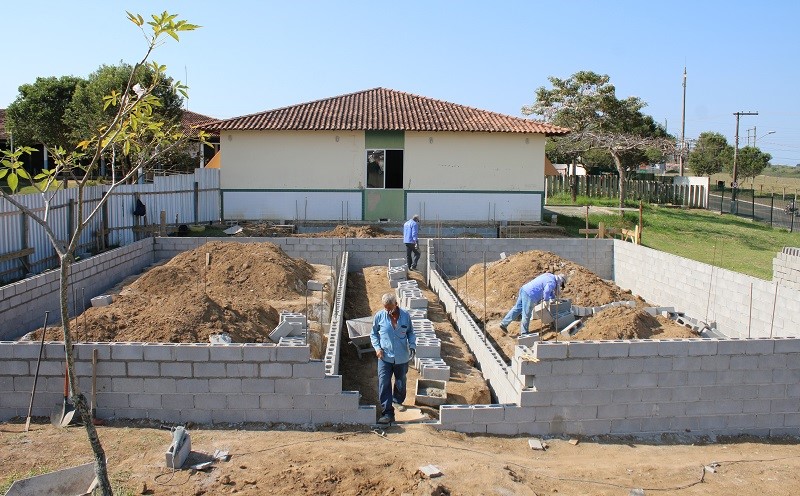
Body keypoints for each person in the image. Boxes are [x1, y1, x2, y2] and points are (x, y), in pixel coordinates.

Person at [370, 293, 416, 424]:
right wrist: (377, 348)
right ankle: (387, 412)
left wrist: (412, 346)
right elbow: (373, 334)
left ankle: (397, 401)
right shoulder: (379, 316)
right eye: (385, 308)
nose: (388, 311)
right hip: (385, 357)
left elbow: (411, 332)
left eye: (390, 308)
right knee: (384, 383)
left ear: (396, 304)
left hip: (401, 357)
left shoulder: (405, 316)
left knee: (401, 381)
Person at [499, 272, 568, 336]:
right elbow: (547, 292)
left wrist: (553, 298)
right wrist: (546, 301)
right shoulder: (552, 282)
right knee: (527, 314)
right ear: (561, 281)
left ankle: (504, 324)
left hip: (524, 289)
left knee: (517, 308)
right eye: (561, 285)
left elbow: (549, 291)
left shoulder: (549, 275)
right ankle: (524, 333)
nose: (560, 286)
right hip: (530, 295)